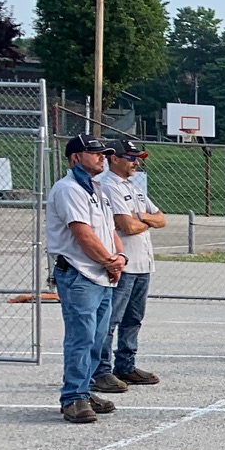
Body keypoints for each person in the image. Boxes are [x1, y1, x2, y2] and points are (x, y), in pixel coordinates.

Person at [44, 134, 125, 424]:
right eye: (94, 152)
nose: (101, 156)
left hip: (102, 274)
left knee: (97, 337)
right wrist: (108, 260)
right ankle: (73, 398)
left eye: (103, 152)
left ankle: (85, 389)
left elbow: (109, 229)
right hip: (79, 272)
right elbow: (83, 234)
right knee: (81, 337)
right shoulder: (68, 189)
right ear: (75, 157)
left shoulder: (97, 189)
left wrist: (120, 257)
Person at [94, 139, 164, 390]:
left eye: (137, 157)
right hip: (123, 264)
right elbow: (127, 226)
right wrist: (143, 220)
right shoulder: (107, 185)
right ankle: (101, 371)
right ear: (114, 158)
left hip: (143, 263)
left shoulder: (133, 186)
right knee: (110, 320)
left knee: (133, 319)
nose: (136, 161)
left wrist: (141, 217)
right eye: (131, 157)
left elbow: (161, 218)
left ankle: (125, 365)